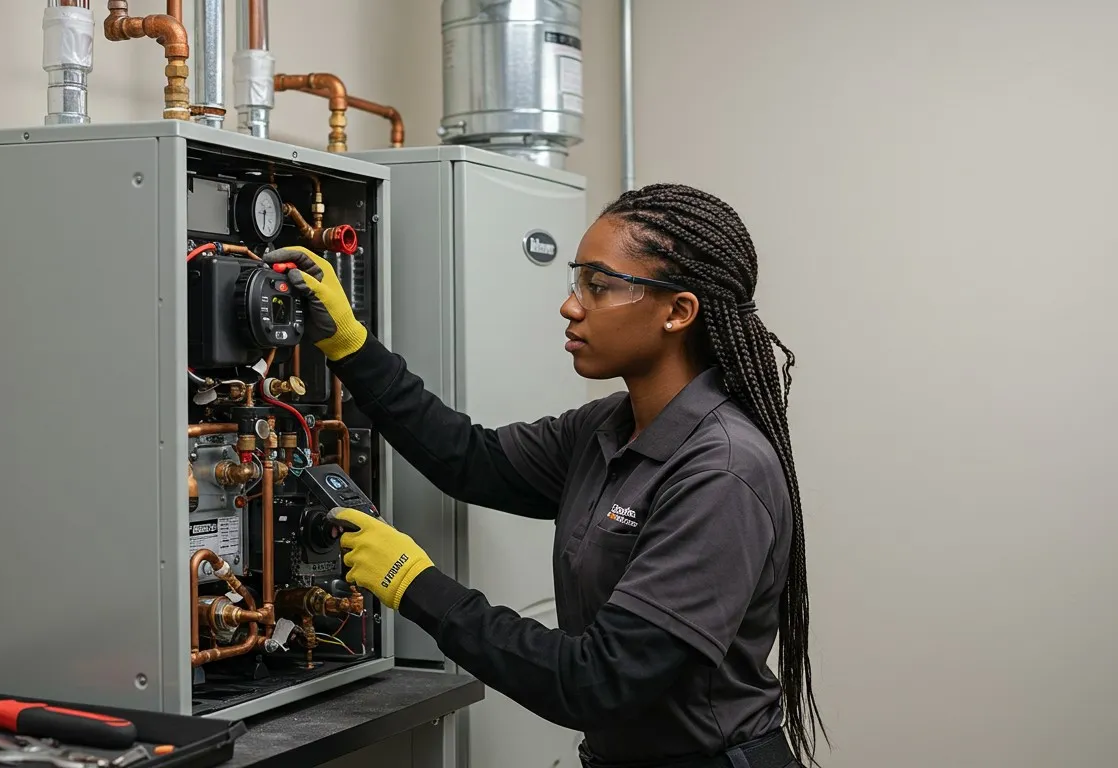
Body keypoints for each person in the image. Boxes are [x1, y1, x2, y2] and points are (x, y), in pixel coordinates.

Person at [264, 183, 823, 768]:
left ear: (678, 312)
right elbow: (470, 459)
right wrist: (349, 344)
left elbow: (596, 682)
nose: (571, 305)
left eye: (599, 286)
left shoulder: (721, 471)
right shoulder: (608, 427)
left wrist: (414, 582)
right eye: (576, 282)